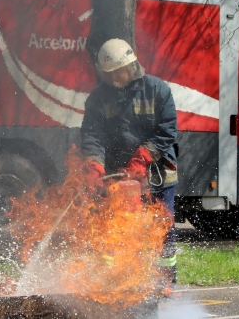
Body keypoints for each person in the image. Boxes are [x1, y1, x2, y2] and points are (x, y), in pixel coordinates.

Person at [79, 38, 179, 294]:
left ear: (131, 65)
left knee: (162, 228)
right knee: (116, 228)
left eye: (117, 72)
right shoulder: (98, 98)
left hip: (158, 174)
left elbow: (168, 130)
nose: (113, 78)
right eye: (108, 73)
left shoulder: (157, 90)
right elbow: (92, 135)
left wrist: (144, 157)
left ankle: (164, 281)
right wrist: (94, 165)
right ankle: (119, 282)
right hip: (119, 179)